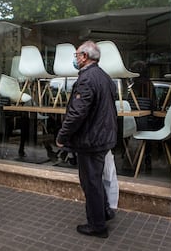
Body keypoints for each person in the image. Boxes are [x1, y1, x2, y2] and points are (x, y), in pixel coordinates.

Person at [56, 41, 117, 238]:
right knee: (96, 179)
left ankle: (97, 226)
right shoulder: (104, 76)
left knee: (90, 183)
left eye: (76, 55)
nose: (75, 59)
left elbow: (76, 113)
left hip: (91, 141)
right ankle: (105, 211)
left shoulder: (87, 80)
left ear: (84, 56)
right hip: (102, 138)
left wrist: (62, 136)